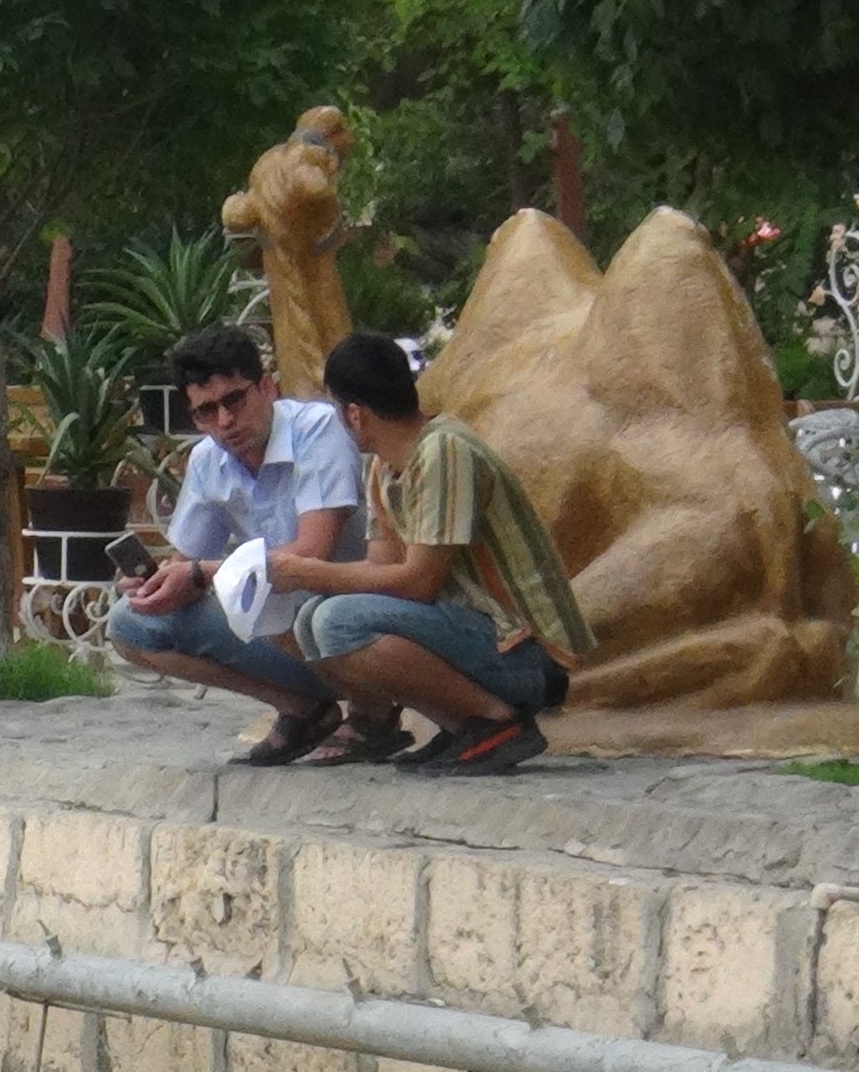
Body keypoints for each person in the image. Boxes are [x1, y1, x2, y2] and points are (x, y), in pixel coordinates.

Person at [275, 333, 590, 778]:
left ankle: (498, 722)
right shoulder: (384, 466)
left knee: (335, 621)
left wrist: (312, 571)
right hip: (475, 634)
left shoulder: (444, 450)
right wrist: (308, 577)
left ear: (355, 414)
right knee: (312, 619)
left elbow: (417, 583)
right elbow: (382, 568)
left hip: (527, 653)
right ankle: (461, 725)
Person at [109, 325, 391, 766]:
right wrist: (157, 582)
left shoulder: (317, 430)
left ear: (266, 387)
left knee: (303, 605)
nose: (224, 422)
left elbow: (313, 551)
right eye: (205, 412)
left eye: (233, 400)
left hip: (351, 622)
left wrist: (201, 572)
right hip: (283, 626)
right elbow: (187, 563)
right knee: (131, 621)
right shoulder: (208, 459)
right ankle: (302, 708)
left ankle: (374, 710)